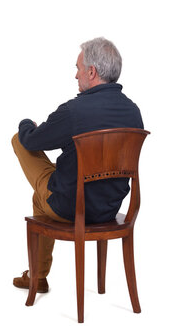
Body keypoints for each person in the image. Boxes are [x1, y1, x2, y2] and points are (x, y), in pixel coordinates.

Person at [12, 37, 144, 292]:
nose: (76, 75)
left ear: (92, 72)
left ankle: (37, 276)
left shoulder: (74, 111)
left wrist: (27, 123)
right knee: (56, 180)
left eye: (78, 68)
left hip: (69, 209)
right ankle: (38, 275)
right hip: (108, 210)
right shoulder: (133, 112)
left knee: (19, 142)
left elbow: (31, 142)